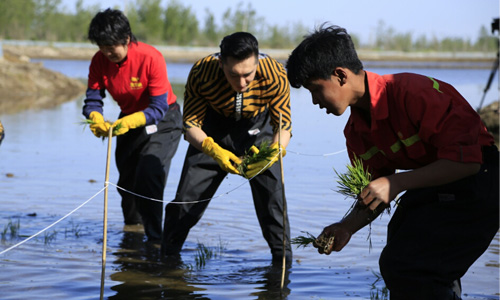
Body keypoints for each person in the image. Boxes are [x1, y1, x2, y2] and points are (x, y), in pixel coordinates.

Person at [286, 24, 499, 299]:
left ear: (340, 75)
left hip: (481, 179)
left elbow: (468, 162)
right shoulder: (356, 132)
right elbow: (376, 191)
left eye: (315, 90)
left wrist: (396, 182)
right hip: (436, 182)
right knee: (402, 241)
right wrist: (346, 227)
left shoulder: (412, 93)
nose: (315, 101)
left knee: (405, 266)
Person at [161, 32, 292, 264]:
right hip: (212, 132)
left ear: (257, 62)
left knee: (273, 204)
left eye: (248, 75)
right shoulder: (202, 72)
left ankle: (282, 266)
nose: (241, 83)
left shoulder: (275, 73)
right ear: (221, 63)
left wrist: (272, 154)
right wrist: (214, 150)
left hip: (258, 133)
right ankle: (168, 262)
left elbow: (283, 127)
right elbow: (190, 125)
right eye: (233, 75)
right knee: (185, 201)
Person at [82, 8, 182, 243]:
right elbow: (93, 99)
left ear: (126, 39)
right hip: (128, 121)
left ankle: (156, 240)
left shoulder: (151, 57)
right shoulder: (99, 61)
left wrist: (130, 121)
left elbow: (157, 107)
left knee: (148, 174)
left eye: (112, 45)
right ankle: (133, 234)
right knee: (126, 183)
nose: (107, 52)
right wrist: (94, 117)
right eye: (102, 46)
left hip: (164, 120)